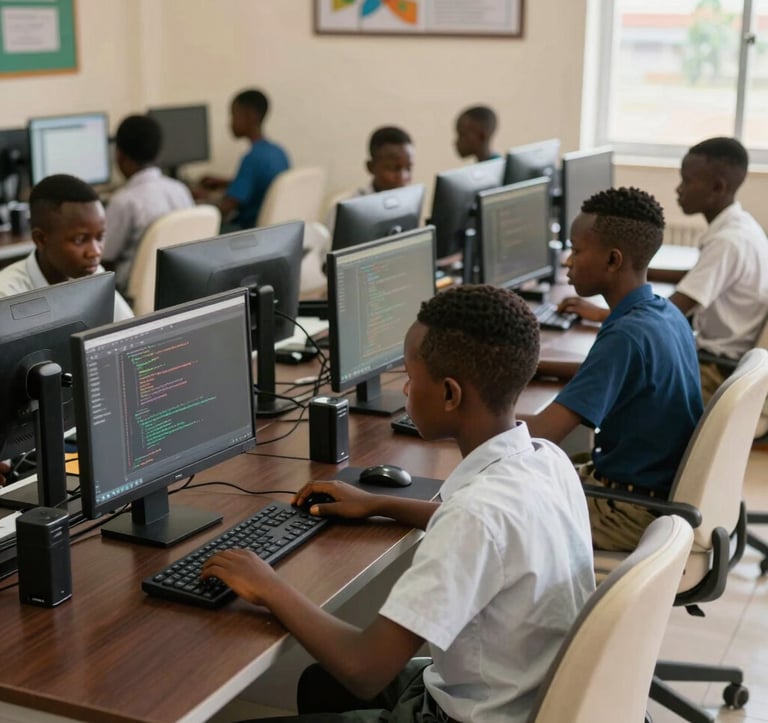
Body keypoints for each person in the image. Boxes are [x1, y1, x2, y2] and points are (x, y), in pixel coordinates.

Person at [202, 285, 595, 722]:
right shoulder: (547, 459)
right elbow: (497, 537)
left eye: (411, 376)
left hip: (471, 714)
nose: (405, 389)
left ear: (450, 394)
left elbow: (366, 670)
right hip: (526, 693)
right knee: (317, 684)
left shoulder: (475, 517)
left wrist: (269, 586)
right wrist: (377, 504)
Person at [527, 187, 703, 552]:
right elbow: (607, 375)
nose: (568, 262)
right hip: (648, 491)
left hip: (626, 511)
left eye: (576, 250)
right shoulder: (664, 313)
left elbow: (539, 436)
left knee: (493, 511)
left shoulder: (625, 336)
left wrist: (465, 427)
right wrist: (530, 365)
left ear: (613, 260)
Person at [558, 138, 768, 405]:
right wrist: (635, 264)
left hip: (713, 369)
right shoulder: (741, 226)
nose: (679, 189)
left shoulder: (727, 242)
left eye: (688, 181)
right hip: (724, 359)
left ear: (717, 187)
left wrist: (600, 313)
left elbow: (671, 311)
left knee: (607, 379)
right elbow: (692, 276)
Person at [0, 174, 133, 321]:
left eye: (99, 237)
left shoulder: (93, 275)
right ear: (41, 239)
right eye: (79, 240)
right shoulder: (6, 297)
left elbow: (130, 331)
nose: (95, 252)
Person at [102, 114, 194, 295]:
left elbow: (103, 258)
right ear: (158, 153)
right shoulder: (180, 190)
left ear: (119, 155)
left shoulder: (124, 201)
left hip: (133, 296)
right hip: (181, 289)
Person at [199, 88, 290, 230]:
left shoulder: (251, 159)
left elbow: (225, 209)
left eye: (233, 115)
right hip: (273, 231)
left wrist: (203, 198)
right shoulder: (278, 152)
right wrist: (226, 183)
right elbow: (261, 185)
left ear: (249, 117)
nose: (229, 123)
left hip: (249, 232)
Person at [325, 125, 414, 234]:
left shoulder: (408, 207)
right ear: (371, 167)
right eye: (394, 169)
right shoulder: (344, 211)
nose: (403, 177)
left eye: (408, 168)